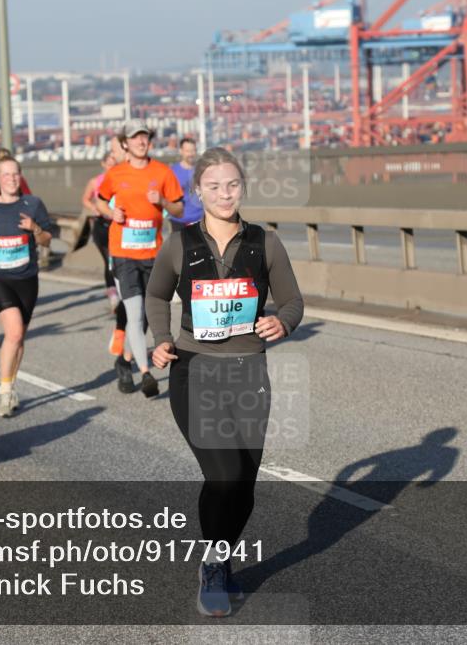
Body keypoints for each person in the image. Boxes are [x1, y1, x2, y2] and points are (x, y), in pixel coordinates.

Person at [146, 147, 304, 616]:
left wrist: (283, 323)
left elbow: (293, 300)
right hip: (195, 370)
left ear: (243, 188)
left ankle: (221, 555)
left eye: (232, 185)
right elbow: (156, 293)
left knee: (245, 484)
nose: (224, 194)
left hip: (249, 372)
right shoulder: (180, 242)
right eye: (214, 186)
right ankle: (214, 567)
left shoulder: (265, 242)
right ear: (198, 191)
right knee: (225, 474)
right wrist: (160, 339)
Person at [96, 119, 184, 397]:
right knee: (134, 313)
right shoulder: (116, 173)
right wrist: (111, 213)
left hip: (153, 254)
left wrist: (163, 203)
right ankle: (146, 374)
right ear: (126, 143)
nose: (140, 141)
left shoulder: (162, 172)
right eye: (135, 137)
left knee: (147, 313)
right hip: (123, 254)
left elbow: (179, 209)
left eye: (144, 136)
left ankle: (124, 361)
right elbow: (100, 200)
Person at [0, 156, 52, 417]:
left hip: (27, 279)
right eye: (6, 174)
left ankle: (11, 384)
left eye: (15, 174)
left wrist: (35, 228)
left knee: (19, 338)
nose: (12, 179)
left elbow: (48, 240)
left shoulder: (33, 203)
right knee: (13, 333)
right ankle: (4, 392)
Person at [82, 151, 121, 310]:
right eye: (109, 163)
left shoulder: (121, 180)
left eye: (114, 164)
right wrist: (95, 208)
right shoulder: (95, 181)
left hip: (118, 224)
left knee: (119, 260)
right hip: (101, 225)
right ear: (103, 164)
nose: (112, 167)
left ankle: (122, 291)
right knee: (109, 261)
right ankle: (113, 294)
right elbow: (85, 199)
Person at [167, 138, 204, 232]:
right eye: (187, 151)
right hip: (178, 221)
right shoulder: (172, 172)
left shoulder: (202, 170)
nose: (190, 154)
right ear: (181, 151)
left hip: (199, 219)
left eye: (193, 150)